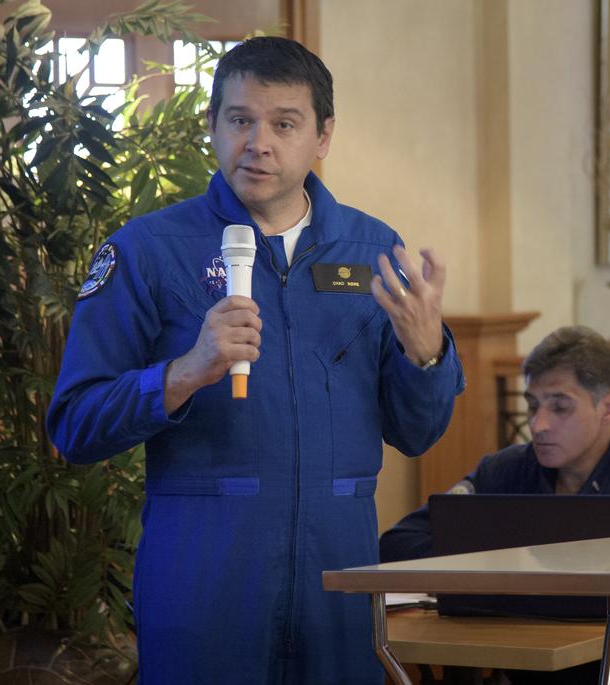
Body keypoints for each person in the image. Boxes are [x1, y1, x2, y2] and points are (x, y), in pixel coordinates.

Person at [47, 37, 464, 684]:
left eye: (284, 123)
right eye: (240, 119)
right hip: (204, 584)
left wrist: (427, 352)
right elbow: (74, 424)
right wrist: (186, 371)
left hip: (338, 585)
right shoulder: (148, 250)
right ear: (212, 125)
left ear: (323, 136)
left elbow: (418, 433)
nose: (258, 142)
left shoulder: (372, 248)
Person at [381, 326, 610, 685]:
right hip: (534, 659)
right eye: (532, 405)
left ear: (609, 407)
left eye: (560, 407)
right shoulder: (506, 468)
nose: (538, 425)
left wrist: (523, 563)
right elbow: (398, 543)